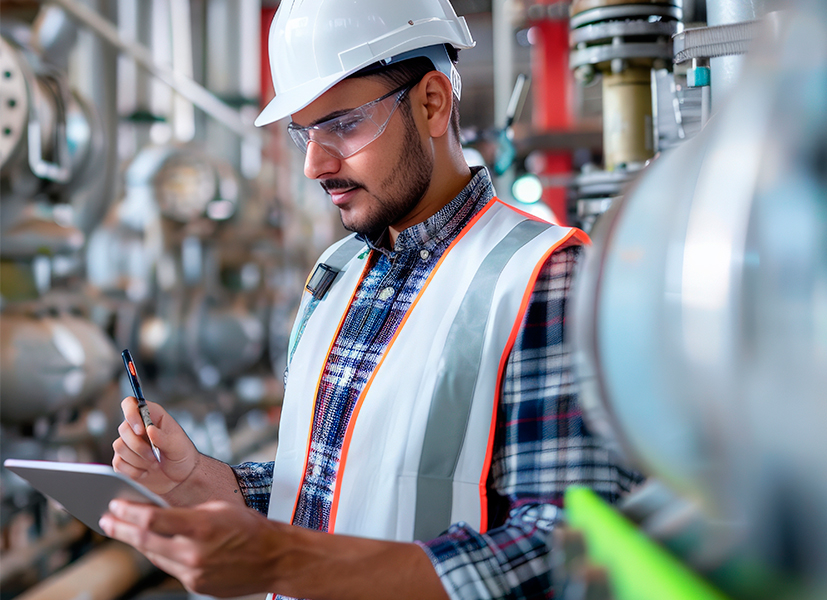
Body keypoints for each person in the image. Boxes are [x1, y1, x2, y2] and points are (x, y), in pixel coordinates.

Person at [99, 1, 641, 598]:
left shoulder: (545, 277)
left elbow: (569, 549)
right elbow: (331, 489)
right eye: (303, 132)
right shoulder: (336, 272)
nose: (313, 164)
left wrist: (289, 561)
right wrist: (201, 481)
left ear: (432, 102)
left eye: (343, 124)